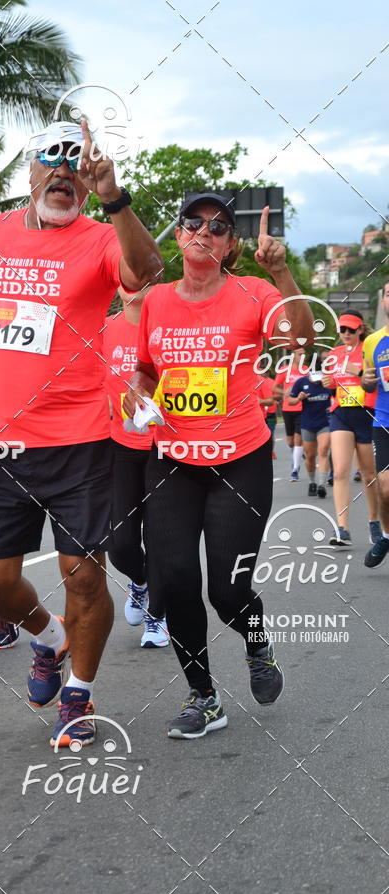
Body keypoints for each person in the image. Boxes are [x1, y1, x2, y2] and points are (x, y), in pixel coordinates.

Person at [0, 120, 162, 746]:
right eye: (51, 161)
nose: (64, 172)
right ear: (29, 172)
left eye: (76, 164)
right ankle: (50, 638)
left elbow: (146, 271)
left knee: (85, 576)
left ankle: (79, 694)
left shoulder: (103, 236)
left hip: (81, 440)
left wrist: (115, 198)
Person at [124, 194, 314, 740]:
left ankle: (256, 640)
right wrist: (139, 398)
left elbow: (299, 338)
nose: (204, 231)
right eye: (192, 223)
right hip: (173, 459)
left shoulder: (253, 292)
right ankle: (203, 697)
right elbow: (143, 371)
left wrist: (280, 270)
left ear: (231, 246)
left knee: (227, 592)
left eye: (219, 226)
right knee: (176, 580)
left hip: (240, 459)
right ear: (179, 236)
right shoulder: (156, 300)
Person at [103, 286, 169, 649]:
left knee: (160, 538)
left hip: (166, 448)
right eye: (127, 278)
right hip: (120, 448)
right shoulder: (104, 329)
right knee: (121, 543)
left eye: (143, 277)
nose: (136, 288)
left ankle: (158, 617)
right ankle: (141, 583)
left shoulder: (167, 327)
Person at [323, 309, 380, 547]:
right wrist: (328, 383)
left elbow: (377, 380)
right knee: (339, 472)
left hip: (366, 413)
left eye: (350, 329)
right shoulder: (334, 354)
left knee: (368, 475)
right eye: (342, 329)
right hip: (341, 414)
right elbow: (332, 383)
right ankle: (342, 528)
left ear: (360, 329)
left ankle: (374, 522)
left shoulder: (370, 348)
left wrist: (356, 372)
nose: (345, 333)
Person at [361, 282, 389, 566]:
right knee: (385, 488)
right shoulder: (372, 342)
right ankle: (386, 536)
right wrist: (365, 381)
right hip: (384, 422)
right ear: (383, 302)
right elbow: (368, 379)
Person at [288, 357, 332, 498]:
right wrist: (299, 398)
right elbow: (290, 401)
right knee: (310, 456)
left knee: (324, 450)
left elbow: (339, 395)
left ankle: (321, 485)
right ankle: (312, 482)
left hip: (325, 423)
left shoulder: (329, 383)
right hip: (307, 424)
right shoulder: (301, 382)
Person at [274, 349, 305, 480]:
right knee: (291, 441)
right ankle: (297, 456)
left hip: (302, 408)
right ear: (293, 356)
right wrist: (284, 393)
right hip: (288, 409)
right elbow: (275, 387)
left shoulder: (306, 370)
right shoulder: (284, 370)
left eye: (304, 354)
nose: (302, 356)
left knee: (298, 439)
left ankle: (295, 469)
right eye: (299, 354)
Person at [255, 374, 278, 457]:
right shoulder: (250, 380)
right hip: (260, 414)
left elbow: (273, 398)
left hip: (270, 412)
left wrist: (259, 401)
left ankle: (270, 451)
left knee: (269, 434)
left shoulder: (267, 382)